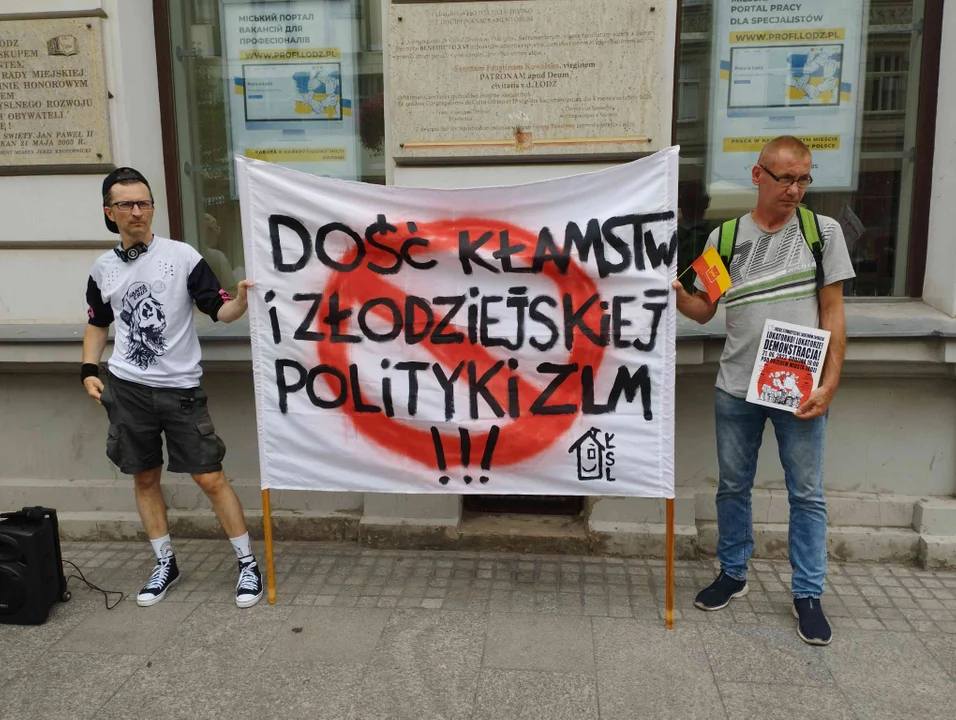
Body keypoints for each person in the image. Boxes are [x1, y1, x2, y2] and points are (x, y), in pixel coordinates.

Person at [672, 137, 855, 646]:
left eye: (804, 179)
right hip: (735, 385)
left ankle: (808, 594)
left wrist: (830, 383)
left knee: (807, 494)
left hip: (799, 387)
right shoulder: (724, 238)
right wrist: (671, 290)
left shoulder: (823, 233)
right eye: (785, 178)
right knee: (733, 486)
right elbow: (704, 309)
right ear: (758, 176)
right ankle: (733, 572)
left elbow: (834, 311)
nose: (795, 190)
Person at [81, 167, 263, 609]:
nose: (137, 211)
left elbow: (218, 310)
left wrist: (238, 300)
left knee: (209, 476)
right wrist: (88, 368)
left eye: (144, 202)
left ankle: (247, 564)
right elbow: (96, 323)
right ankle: (165, 562)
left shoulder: (182, 256)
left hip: (180, 390)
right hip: (126, 389)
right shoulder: (102, 268)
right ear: (110, 212)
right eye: (126, 204)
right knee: (144, 477)